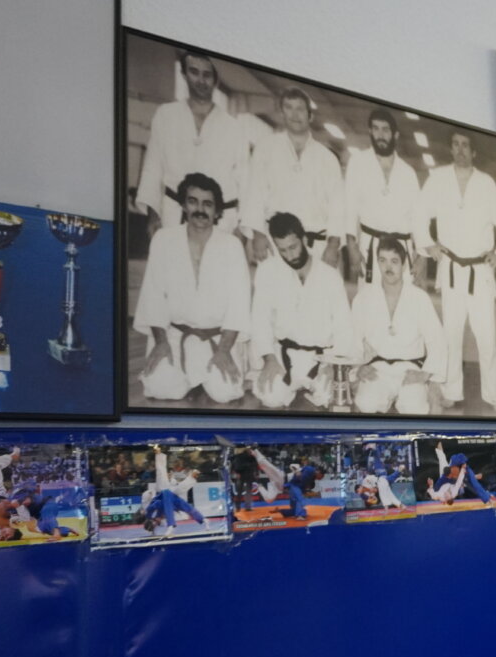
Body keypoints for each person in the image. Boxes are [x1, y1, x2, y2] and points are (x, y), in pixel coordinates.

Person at [417, 130, 496, 412]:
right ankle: (452, 391)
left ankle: (493, 396)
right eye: (455, 144)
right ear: (451, 149)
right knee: (451, 335)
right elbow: (420, 211)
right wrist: (427, 245)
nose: (460, 150)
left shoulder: (486, 183)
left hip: (479, 271)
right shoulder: (438, 179)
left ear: (474, 152)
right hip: (450, 269)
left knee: (486, 336)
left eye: (465, 146)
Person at [132, 172, 251, 403]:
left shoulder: (232, 245)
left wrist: (225, 350)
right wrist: (161, 342)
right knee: (162, 388)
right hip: (175, 336)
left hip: (218, 340)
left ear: (217, 211)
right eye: (192, 201)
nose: (200, 209)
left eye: (207, 204)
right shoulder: (163, 240)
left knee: (225, 392)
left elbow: (239, 303)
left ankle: (201, 378)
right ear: (183, 205)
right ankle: (191, 379)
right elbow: (153, 295)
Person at [135, 50, 249, 234]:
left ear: (216, 80)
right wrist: (153, 214)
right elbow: (153, 166)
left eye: (207, 75)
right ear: (183, 74)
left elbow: (244, 178)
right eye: (194, 72)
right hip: (173, 214)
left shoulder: (234, 127)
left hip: (220, 220)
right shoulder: (166, 115)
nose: (200, 81)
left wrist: (242, 227)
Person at [250, 211, 355, 409]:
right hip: (283, 355)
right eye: (282, 250)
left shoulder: (330, 276)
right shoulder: (267, 272)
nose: (289, 255)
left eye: (293, 247)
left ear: (304, 239)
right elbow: (259, 320)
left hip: (321, 359)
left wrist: (333, 367)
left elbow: (344, 327)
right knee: (270, 397)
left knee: (328, 399)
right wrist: (269, 359)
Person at [242, 87, 345, 269]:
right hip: (276, 244)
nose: (294, 114)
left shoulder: (327, 158)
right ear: (282, 113)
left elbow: (338, 206)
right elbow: (254, 193)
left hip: (316, 246)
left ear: (310, 116)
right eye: (289, 107)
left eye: (300, 109)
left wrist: (333, 245)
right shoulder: (266, 148)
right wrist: (257, 234)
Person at [350, 237, 446, 414]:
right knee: (365, 404)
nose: (388, 267)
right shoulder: (363, 298)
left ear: (404, 265)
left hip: (410, 370)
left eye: (394, 261)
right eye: (382, 260)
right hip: (377, 369)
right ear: (377, 262)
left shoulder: (419, 298)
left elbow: (437, 340)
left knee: (415, 408)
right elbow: (353, 339)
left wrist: (425, 374)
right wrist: (358, 369)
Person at [344, 107, 422, 285]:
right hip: (369, 247)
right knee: (369, 303)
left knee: (402, 305)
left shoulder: (408, 172)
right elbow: (350, 208)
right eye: (376, 128)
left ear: (395, 135)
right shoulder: (358, 163)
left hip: (401, 248)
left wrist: (422, 256)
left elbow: (418, 216)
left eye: (385, 129)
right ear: (370, 131)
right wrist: (351, 246)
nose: (380, 135)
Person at [425, 442, 492, 506]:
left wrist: (431, 485)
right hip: (454, 481)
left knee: (442, 458)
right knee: (463, 480)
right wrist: (463, 469)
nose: (446, 495)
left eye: (445, 496)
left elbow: (433, 495)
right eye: (447, 496)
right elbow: (459, 481)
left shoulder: (439, 496)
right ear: (451, 497)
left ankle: (470, 477)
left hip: (445, 479)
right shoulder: (454, 492)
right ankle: (470, 478)